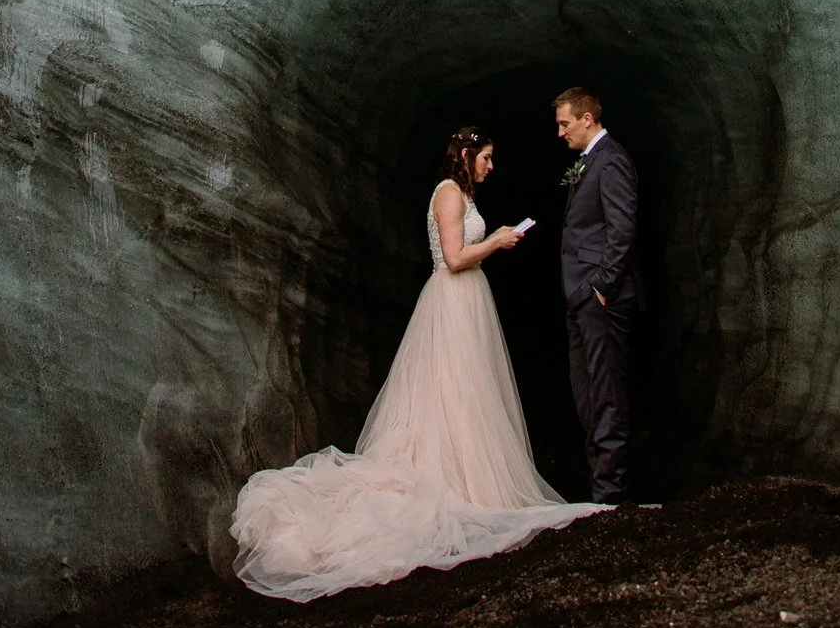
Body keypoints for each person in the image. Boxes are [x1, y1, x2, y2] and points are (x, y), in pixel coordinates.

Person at [229, 125, 600, 599]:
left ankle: (473, 482)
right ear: (466, 157)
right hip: (452, 300)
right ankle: (457, 485)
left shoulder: (461, 194)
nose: (491, 166)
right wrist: (498, 242)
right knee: (448, 390)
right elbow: (453, 257)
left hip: (469, 301)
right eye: (486, 157)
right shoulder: (447, 194)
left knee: (468, 395)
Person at [556, 87, 643, 503]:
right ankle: (600, 491)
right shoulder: (589, 162)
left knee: (606, 394)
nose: (561, 132)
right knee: (586, 394)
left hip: (599, 294)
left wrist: (602, 286)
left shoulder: (612, 160)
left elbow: (622, 228)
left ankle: (610, 496)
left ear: (586, 118)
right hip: (580, 294)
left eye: (564, 123)